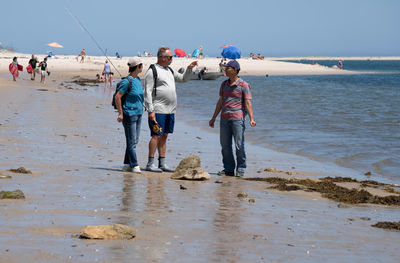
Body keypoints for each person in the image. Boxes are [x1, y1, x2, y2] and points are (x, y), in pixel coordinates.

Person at [144, 46, 198, 172]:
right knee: (156, 135)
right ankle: (150, 163)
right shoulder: (152, 71)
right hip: (158, 109)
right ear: (162, 58)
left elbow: (183, 79)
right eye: (170, 57)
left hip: (170, 110)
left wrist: (189, 69)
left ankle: (162, 163)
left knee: (165, 135)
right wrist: (150, 110)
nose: (172, 59)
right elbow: (147, 92)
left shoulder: (169, 70)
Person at [209, 60, 256, 177]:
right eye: (225, 68)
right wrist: (213, 118)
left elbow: (247, 103)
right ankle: (228, 169)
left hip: (237, 119)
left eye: (228, 68)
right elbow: (220, 102)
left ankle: (241, 168)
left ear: (235, 70)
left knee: (239, 145)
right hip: (224, 118)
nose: (225, 69)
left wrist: (251, 118)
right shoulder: (224, 84)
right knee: (225, 146)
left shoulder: (244, 85)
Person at [115, 57, 145, 173]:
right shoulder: (126, 81)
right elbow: (118, 96)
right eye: (141, 65)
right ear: (137, 67)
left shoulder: (137, 80)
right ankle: (135, 165)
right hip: (129, 114)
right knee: (132, 141)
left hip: (138, 113)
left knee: (134, 140)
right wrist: (120, 114)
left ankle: (127, 164)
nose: (142, 67)